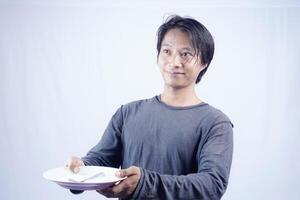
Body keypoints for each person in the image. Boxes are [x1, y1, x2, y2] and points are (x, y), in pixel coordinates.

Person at [66, 15, 233, 200]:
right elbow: (101, 160)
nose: (174, 62)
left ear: (204, 62)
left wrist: (146, 183)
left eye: (186, 54)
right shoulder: (127, 113)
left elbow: (212, 185)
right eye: (167, 51)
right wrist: (80, 169)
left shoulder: (216, 123)